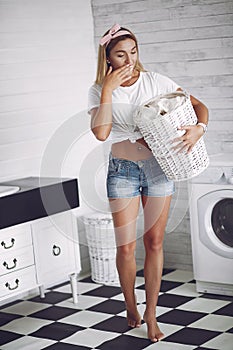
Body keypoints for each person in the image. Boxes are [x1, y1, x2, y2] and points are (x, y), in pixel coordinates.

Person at [88, 24, 208, 342]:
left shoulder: (156, 81)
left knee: (154, 243)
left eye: (134, 51)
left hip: (158, 170)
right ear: (108, 58)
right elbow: (101, 133)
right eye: (120, 54)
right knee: (125, 247)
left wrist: (200, 128)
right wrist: (107, 90)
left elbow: (199, 105)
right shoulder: (99, 89)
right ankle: (131, 306)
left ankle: (152, 314)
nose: (129, 59)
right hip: (122, 171)